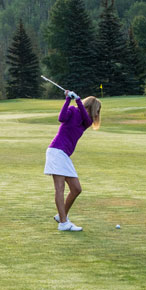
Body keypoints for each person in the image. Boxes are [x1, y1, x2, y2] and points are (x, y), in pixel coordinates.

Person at [45, 90, 100, 232]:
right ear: (93, 108)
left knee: (76, 189)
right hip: (56, 151)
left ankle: (61, 216)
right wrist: (68, 100)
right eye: (97, 111)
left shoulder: (85, 121)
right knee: (60, 188)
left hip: (63, 155)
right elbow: (61, 118)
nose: (97, 114)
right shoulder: (71, 110)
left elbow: (87, 119)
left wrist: (78, 100)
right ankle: (63, 223)